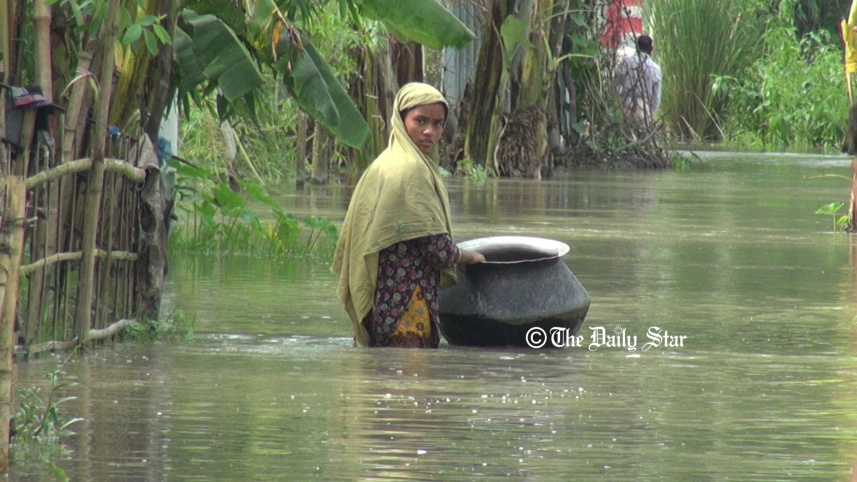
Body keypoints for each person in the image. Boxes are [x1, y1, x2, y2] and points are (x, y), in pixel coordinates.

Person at [332, 82, 485, 348]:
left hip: (378, 306)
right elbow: (437, 249)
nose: (430, 132)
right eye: (420, 121)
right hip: (408, 305)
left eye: (438, 124)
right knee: (415, 385)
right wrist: (467, 257)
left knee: (381, 381)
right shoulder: (412, 170)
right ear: (401, 120)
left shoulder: (384, 163)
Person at [615, 34, 662, 128]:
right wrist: (650, 113)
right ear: (651, 49)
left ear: (637, 47)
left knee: (625, 137)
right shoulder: (655, 69)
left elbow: (617, 82)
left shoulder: (626, 62)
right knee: (642, 138)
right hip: (643, 108)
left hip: (626, 105)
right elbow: (656, 97)